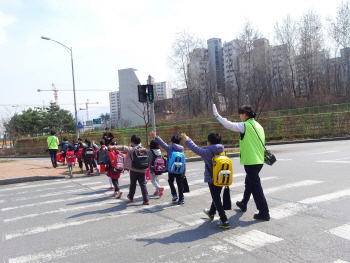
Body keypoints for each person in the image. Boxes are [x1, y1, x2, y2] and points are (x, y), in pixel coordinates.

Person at [213, 104, 270, 221]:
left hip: (251, 161)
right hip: (259, 160)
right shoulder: (258, 125)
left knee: (256, 187)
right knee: (249, 182)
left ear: (245, 114)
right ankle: (244, 203)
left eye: (240, 114)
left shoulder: (245, 125)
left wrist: (217, 116)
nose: (240, 117)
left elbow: (229, 125)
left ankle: (264, 212)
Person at [181, 132, 230, 229]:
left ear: (209, 142)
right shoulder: (222, 150)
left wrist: (187, 139)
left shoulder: (208, 152)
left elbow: (195, 148)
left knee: (216, 198)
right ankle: (211, 213)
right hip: (222, 178)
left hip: (212, 180)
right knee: (216, 196)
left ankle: (224, 220)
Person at [108, 134, 149, 205]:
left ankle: (131, 197)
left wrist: (112, 147)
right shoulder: (144, 149)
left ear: (132, 142)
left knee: (133, 184)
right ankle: (146, 200)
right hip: (143, 169)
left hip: (134, 170)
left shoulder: (132, 149)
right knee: (143, 184)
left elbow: (123, 148)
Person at [150, 131, 185, 205]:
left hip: (171, 169)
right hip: (180, 170)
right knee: (180, 184)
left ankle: (174, 195)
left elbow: (162, 143)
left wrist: (155, 136)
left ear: (172, 142)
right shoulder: (181, 149)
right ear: (179, 142)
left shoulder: (170, 148)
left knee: (171, 181)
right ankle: (181, 199)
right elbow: (183, 160)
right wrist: (184, 170)